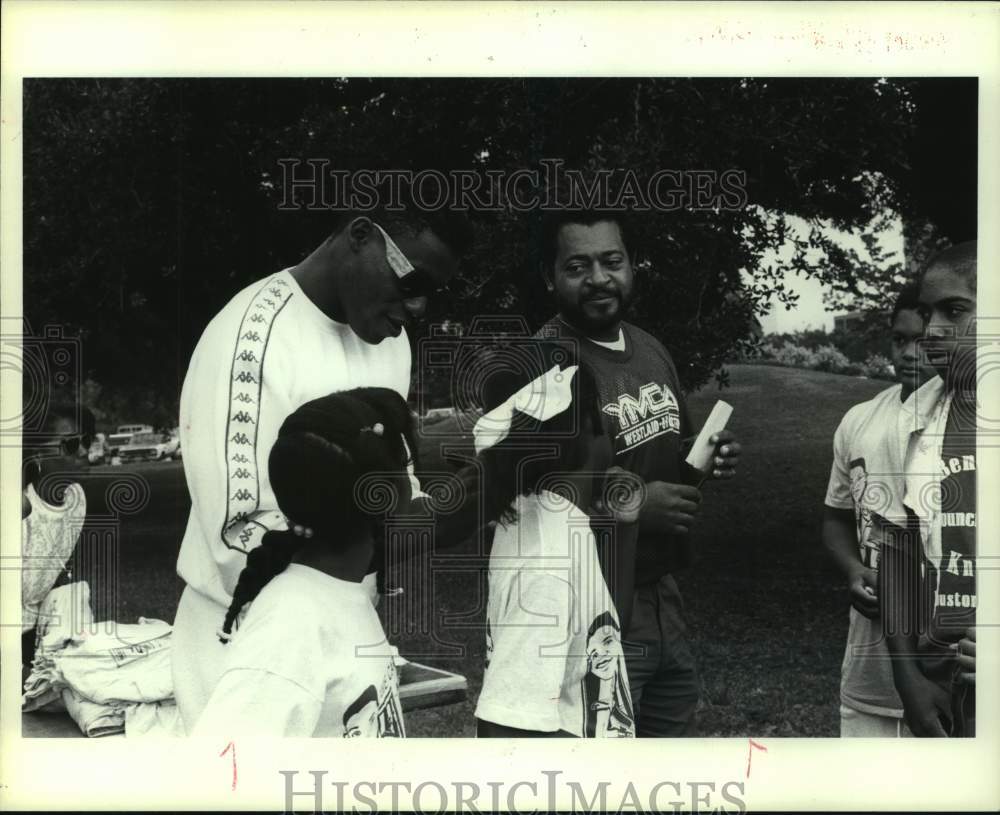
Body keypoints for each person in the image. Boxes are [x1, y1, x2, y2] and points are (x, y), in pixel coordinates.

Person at [172, 205, 474, 733]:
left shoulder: (390, 342)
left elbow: (388, 493)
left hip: (349, 636)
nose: (419, 306)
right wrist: (452, 514)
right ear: (361, 236)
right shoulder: (251, 340)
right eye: (413, 280)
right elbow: (239, 535)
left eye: (435, 292)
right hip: (253, 653)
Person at [533, 209, 741, 737]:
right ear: (550, 276)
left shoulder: (649, 348)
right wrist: (630, 503)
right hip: (589, 603)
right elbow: (528, 491)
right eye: (578, 265)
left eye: (612, 261)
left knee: (666, 748)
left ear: (632, 267)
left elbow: (665, 450)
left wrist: (703, 457)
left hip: (660, 591)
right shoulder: (541, 363)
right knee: (601, 766)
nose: (599, 278)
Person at [192, 388, 411, 738]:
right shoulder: (289, 626)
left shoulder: (336, 591)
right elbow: (219, 774)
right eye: (406, 466)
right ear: (389, 494)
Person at [474, 360, 642, 738]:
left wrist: (626, 527)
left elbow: (603, 639)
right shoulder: (547, 561)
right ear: (589, 427)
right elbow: (505, 728)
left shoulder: (542, 517)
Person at [822, 285, 938, 737]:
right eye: (898, 339)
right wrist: (853, 569)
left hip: (942, 665)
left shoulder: (966, 422)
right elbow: (835, 516)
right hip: (869, 669)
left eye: (922, 341)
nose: (909, 353)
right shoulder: (860, 419)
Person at [883, 240, 977, 737]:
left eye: (955, 310)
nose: (933, 330)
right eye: (927, 311)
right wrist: (907, 678)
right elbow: (897, 554)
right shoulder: (914, 417)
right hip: (940, 680)